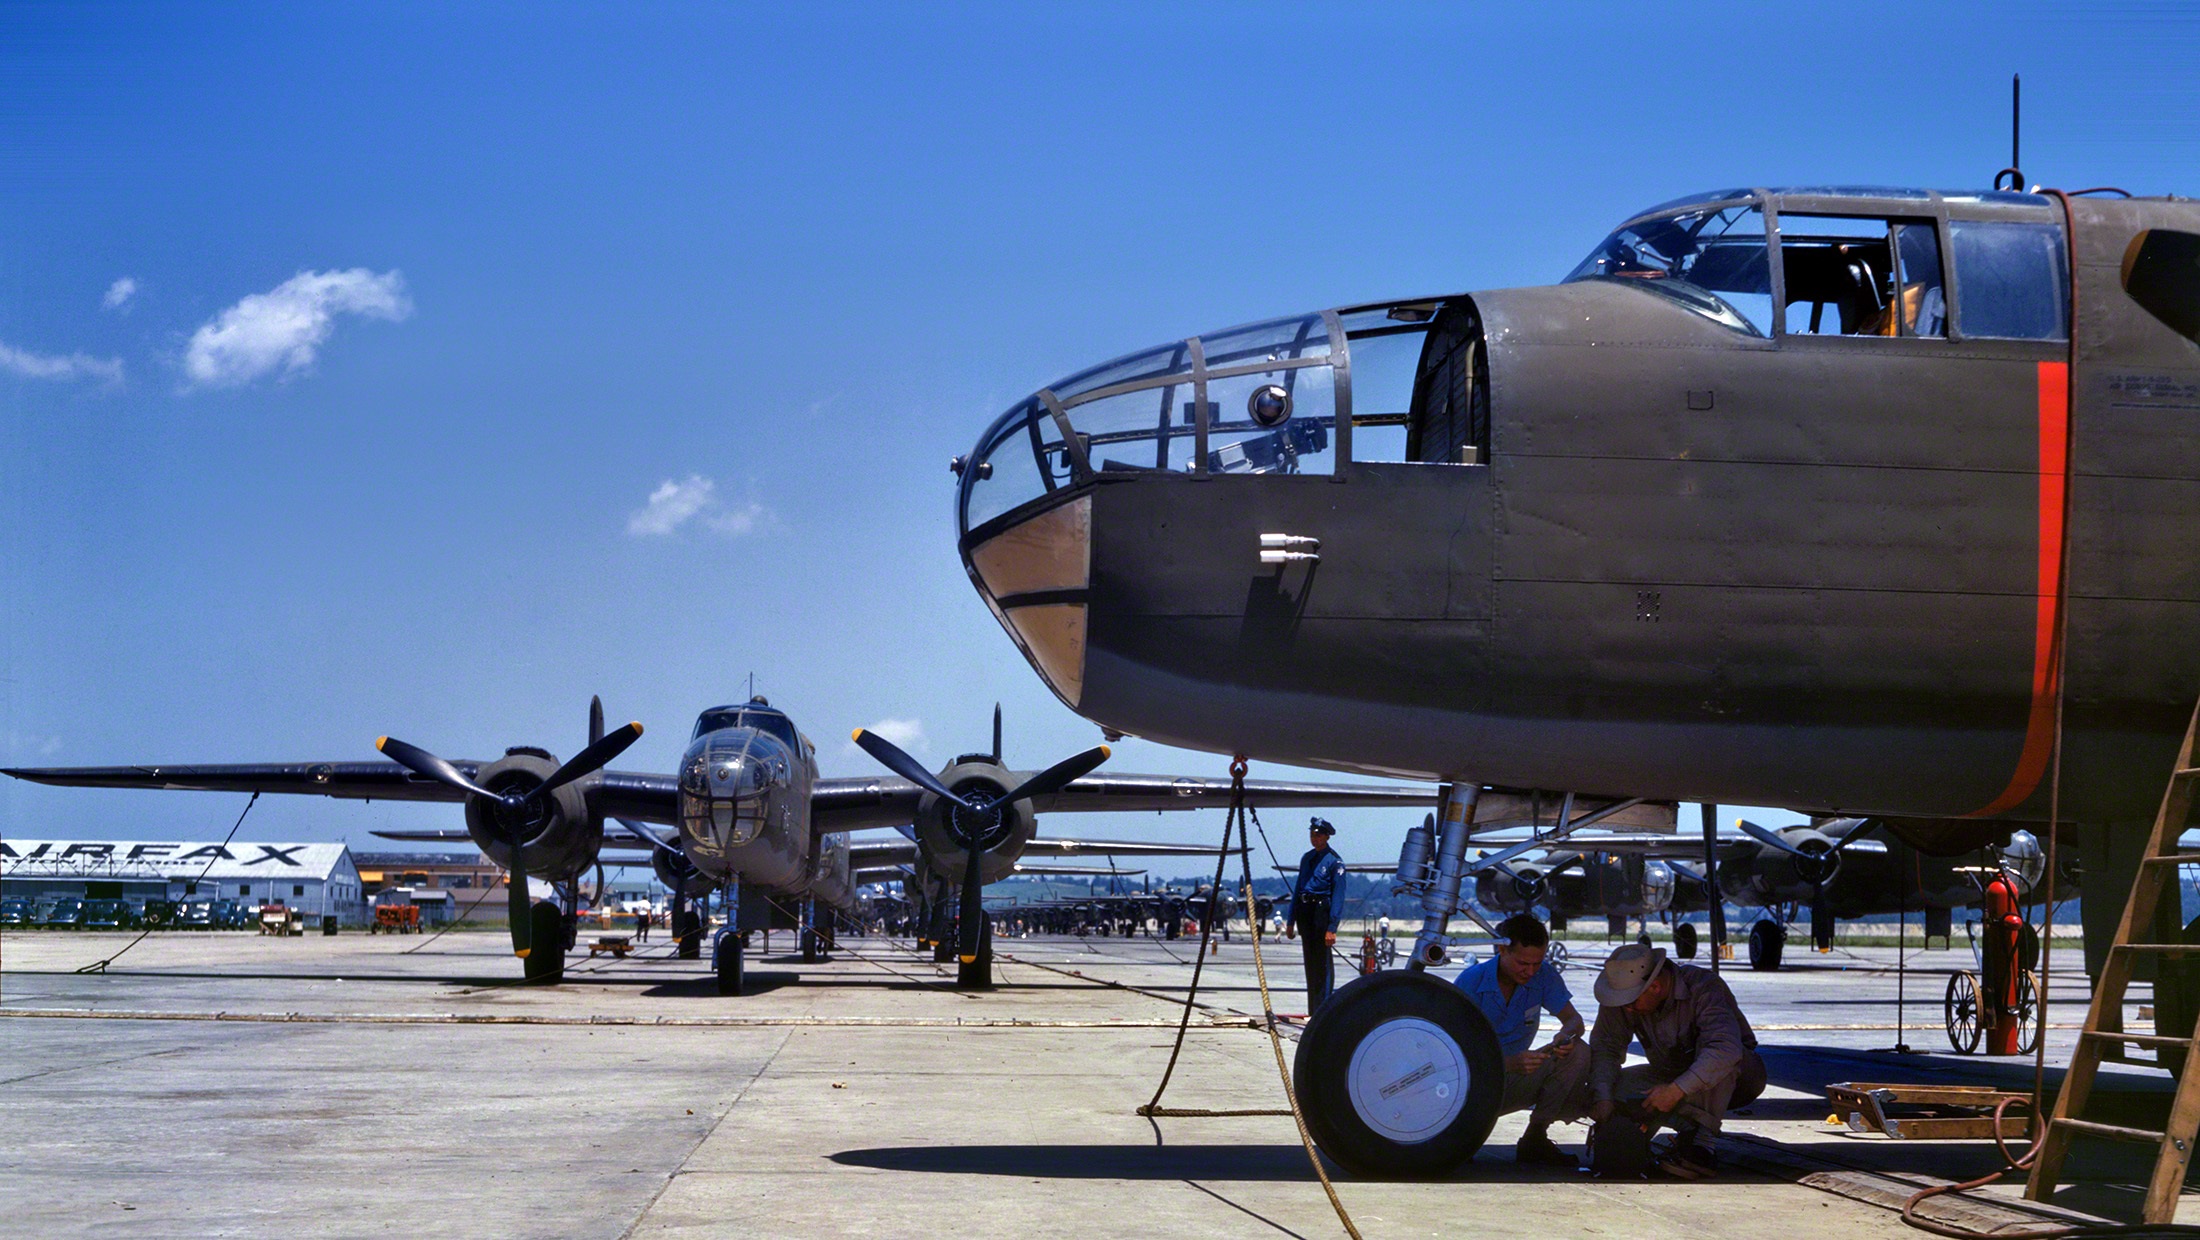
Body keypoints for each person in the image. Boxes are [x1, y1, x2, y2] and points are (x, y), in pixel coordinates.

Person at [1587, 943, 1766, 1180]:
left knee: (1719, 1054)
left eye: (1631, 1003)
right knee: (1618, 1088)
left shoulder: (1703, 987)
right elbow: (1606, 1048)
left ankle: (1702, 1142)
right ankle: (1642, 1137)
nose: (1627, 1010)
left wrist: (1677, 1090)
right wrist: (1604, 1097)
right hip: (1669, 1073)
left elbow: (1725, 1049)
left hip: (1734, 1078)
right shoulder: (1626, 999)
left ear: (1656, 987)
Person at [1453, 913, 1589, 1167]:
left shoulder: (1543, 975)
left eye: (1537, 963)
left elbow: (1575, 1021)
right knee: (1455, 1154)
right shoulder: (1471, 982)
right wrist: (1506, 1063)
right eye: (1523, 963)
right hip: (1470, 1086)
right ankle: (1459, 1134)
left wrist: (1566, 1036)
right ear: (1501, 949)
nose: (1530, 971)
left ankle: (1535, 1137)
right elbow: (1450, 1058)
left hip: (1513, 1080)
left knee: (1578, 1052)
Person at [1283, 817, 1345, 1010]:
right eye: (1312, 834)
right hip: (1305, 911)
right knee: (1310, 961)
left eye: (1318, 835)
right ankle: (1313, 1008)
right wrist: (1291, 919)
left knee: (1323, 963)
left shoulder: (1335, 862)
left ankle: (1323, 1007)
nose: (1314, 838)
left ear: (1327, 836)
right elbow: (1298, 889)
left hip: (1321, 912)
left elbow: (1338, 896)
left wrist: (1332, 927)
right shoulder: (1307, 858)